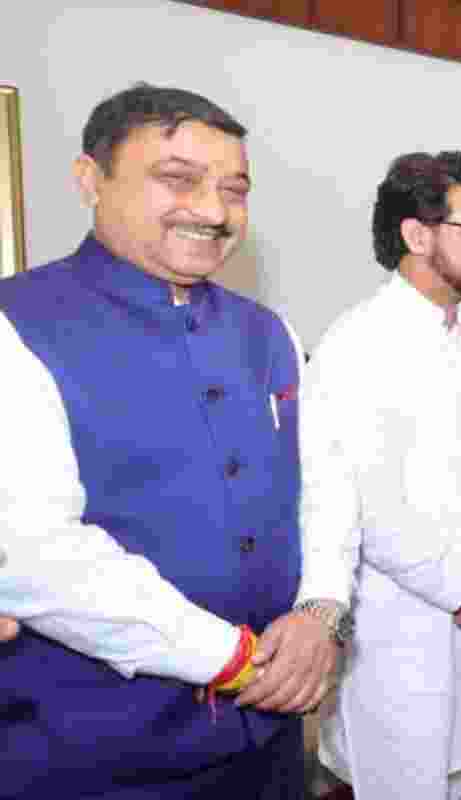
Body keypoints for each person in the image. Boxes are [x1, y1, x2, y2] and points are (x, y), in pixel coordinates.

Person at [0, 83, 334, 799]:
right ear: (90, 180)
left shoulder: (269, 331)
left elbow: (328, 488)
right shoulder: (16, 324)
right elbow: (33, 552)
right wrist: (237, 660)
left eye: (233, 189)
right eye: (177, 180)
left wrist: (319, 614)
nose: (212, 211)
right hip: (93, 755)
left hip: (267, 745)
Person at [298, 151, 461, 800]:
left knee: (456, 780)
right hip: (398, 637)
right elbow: (367, 510)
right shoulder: (358, 344)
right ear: (416, 235)